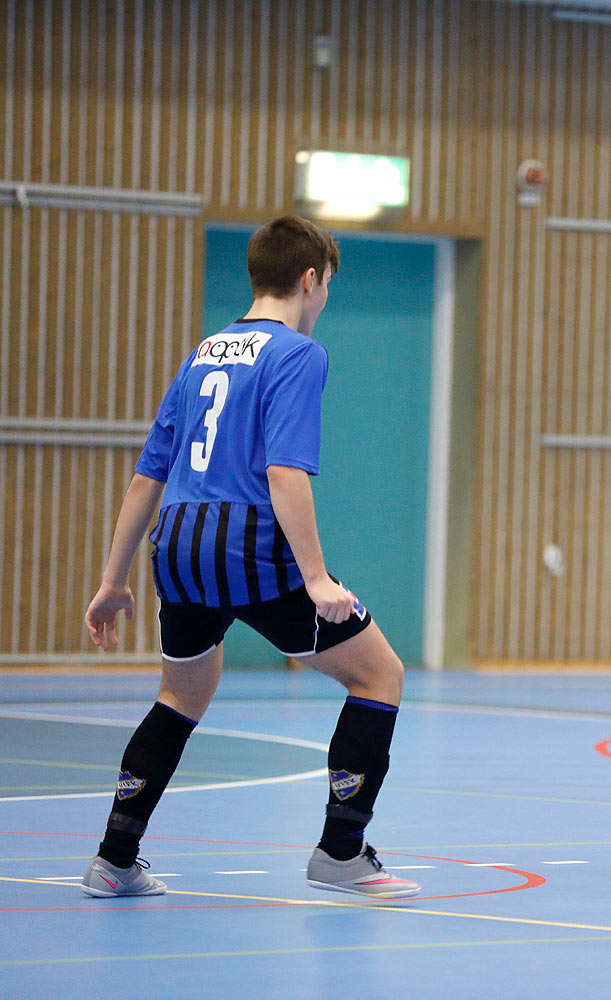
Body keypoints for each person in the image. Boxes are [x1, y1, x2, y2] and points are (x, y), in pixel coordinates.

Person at [80, 215, 420, 900]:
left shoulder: (203, 353)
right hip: (246, 546)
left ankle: (113, 860)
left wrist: (113, 579)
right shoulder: (297, 353)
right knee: (380, 673)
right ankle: (340, 852)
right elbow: (285, 473)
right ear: (310, 279)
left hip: (177, 544)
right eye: (327, 289)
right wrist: (317, 578)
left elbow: (149, 474)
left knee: (180, 696)